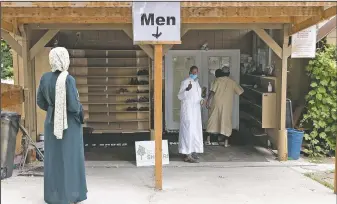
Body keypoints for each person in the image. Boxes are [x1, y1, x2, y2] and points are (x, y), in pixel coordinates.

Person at [37, 47, 87, 204]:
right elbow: (73, 106)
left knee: (53, 159)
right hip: (69, 125)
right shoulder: (68, 79)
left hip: (51, 123)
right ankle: (72, 195)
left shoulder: (44, 78)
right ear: (65, 59)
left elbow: (40, 102)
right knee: (70, 159)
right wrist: (81, 112)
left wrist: (53, 109)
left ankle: (53, 196)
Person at [206, 67, 244, 147]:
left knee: (212, 120)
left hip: (216, 103)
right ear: (229, 73)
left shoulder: (217, 80)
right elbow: (240, 92)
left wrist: (208, 101)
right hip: (227, 105)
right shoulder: (232, 82)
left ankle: (208, 140)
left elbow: (212, 92)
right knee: (226, 121)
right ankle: (226, 142)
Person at [177, 66, 204, 163]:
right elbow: (180, 96)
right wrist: (187, 90)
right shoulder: (185, 82)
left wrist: (201, 100)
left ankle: (193, 151)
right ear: (189, 72)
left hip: (196, 111)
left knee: (195, 130)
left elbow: (198, 96)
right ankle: (187, 154)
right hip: (188, 111)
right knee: (188, 130)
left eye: (196, 72)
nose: (194, 74)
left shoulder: (197, 83)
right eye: (193, 72)